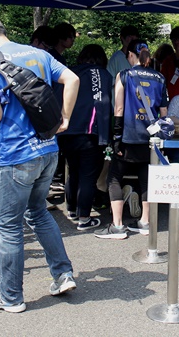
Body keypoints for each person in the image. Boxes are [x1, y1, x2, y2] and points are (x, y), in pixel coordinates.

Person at [0, 15, 80, 312]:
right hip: (48, 148)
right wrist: (65, 118)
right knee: (39, 212)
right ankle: (63, 274)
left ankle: (10, 297)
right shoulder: (39, 54)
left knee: (8, 226)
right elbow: (73, 79)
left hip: (17, 154)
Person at [95, 39, 168, 239]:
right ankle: (145, 222)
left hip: (128, 135)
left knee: (114, 177)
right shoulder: (160, 78)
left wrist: (116, 136)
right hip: (150, 137)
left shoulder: (125, 75)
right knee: (146, 178)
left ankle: (117, 226)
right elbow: (163, 112)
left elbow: (119, 108)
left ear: (130, 55)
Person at [60, 44, 112, 231]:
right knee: (88, 176)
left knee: (73, 171)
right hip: (90, 133)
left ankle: (71, 209)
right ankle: (84, 218)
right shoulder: (103, 75)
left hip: (67, 131)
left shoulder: (70, 72)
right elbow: (106, 105)